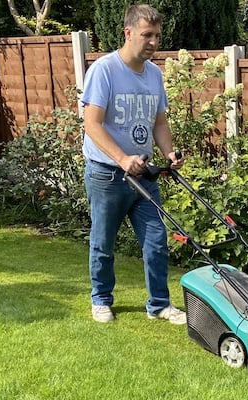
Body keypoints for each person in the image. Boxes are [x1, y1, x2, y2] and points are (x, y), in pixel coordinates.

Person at [80, 4, 186, 324]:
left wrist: (169, 153)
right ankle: (101, 300)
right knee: (103, 242)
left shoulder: (154, 74)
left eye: (157, 35)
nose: (154, 42)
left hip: (145, 173)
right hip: (108, 174)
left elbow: (160, 123)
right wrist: (122, 158)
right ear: (128, 33)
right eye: (147, 35)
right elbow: (92, 124)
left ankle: (159, 304)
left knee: (156, 240)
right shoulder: (104, 70)